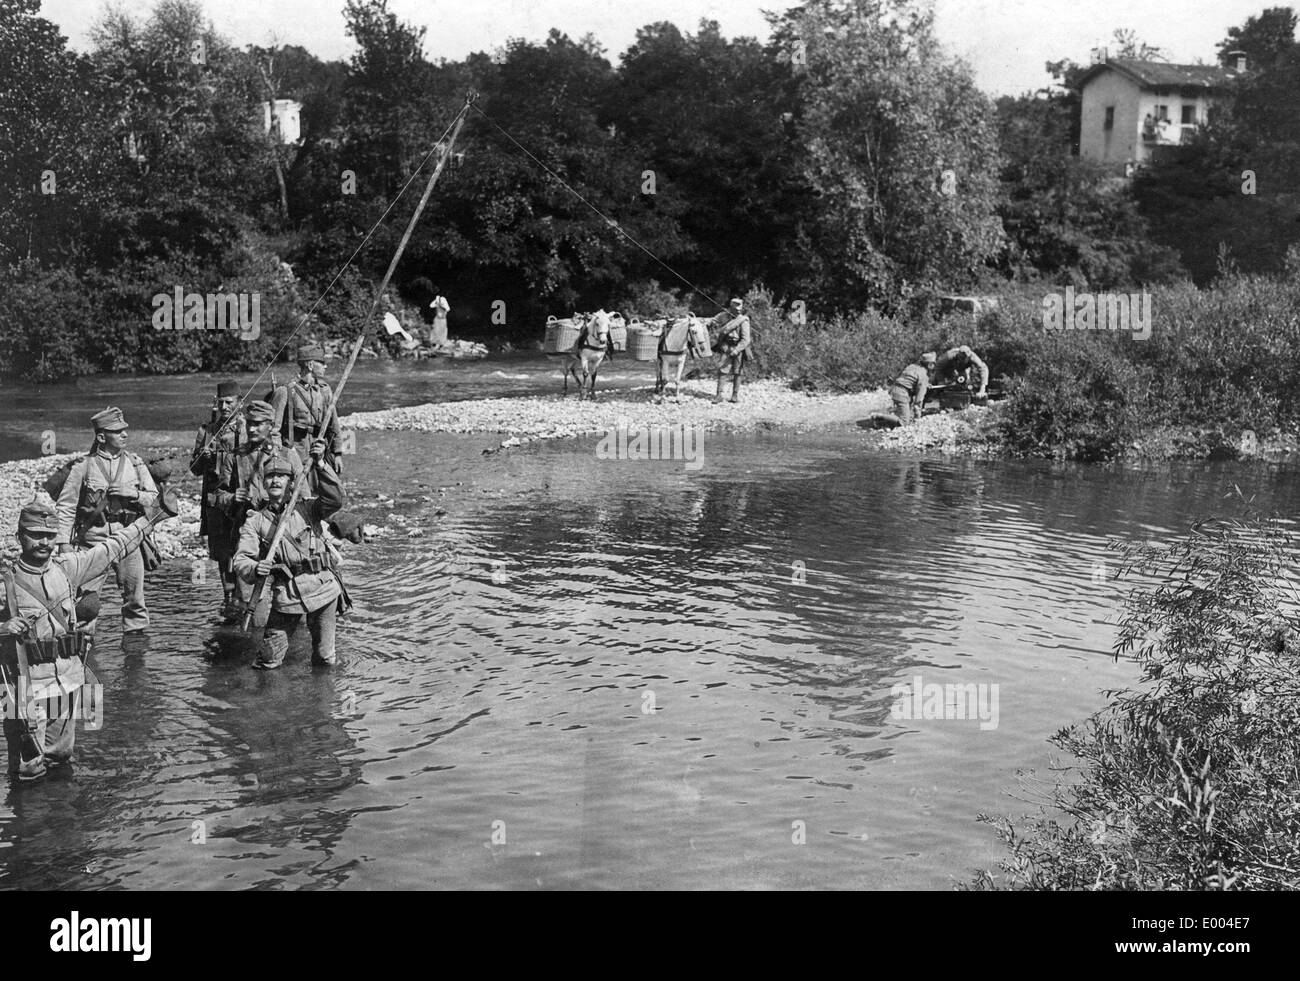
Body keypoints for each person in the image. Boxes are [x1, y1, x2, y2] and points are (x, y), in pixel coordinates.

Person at [2, 494, 172, 781]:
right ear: (20, 537)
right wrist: (4, 627)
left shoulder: (68, 568)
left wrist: (154, 516)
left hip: (66, 683)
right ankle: (29, 821)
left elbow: (112, 547)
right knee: (27, 769)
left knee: (60, 759)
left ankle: (63, 819)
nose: (44, 543)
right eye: (36, 535)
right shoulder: (6, 583)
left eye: (50, 536)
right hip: (24, 691)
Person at [233, 445, 346, 670]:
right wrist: (256, 568)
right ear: (264, 484)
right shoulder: (255, 521)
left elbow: (336, 498)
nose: (275, 481)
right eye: (271, 477)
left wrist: (322, 464)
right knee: (268, 660)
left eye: (281, 477)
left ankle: (322, 702)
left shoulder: (309, 508)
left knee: (325, 659)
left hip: (323, 588)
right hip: (287, 595)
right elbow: (241, 559)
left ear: (291, 482)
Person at [54, 407, 158, 635]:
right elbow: (66, 506)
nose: (124, 434)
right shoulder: (83, 466)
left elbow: (154, 498)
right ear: (101, 437)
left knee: (135, 602)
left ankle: (136, 655)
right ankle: (82, 653)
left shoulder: (135, 463)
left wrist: (134, 495)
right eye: (117, 431)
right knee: (85, 605)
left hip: (129, 540)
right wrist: (64, 544)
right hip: (92, 542)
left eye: (124, 430)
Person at [214, 401, 304, 616]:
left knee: (295, 598)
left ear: (271, 425)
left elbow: (303, 495)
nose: (251, 429)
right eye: (249, 424)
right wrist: (232, 497)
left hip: (284, 532)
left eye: (258, 424)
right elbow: (217, 496)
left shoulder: (287, 454)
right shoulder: (235, 457)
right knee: (251, 603)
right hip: (250, 533)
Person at [189, 380, 246, 619]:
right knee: (222, 553)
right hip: (215, 502)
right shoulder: (207, 431)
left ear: (239, 403)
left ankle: (245, 599)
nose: (224, 407)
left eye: (229, 403)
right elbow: (194, 469)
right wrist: (205, 456)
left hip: (241, 500)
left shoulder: (247, 428)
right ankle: (228, 598)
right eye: (220, 402)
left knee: (243, 547)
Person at [271, 343, 341, 473]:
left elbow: (333, 424)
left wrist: (337, 454)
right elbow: (274, 430)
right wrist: (278, 455)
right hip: (294, 453)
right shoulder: (286, 391)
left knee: (331, 490)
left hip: (319, 452)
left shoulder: (324, 391)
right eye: (321, 362)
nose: (325, 366)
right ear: (310, 365)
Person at [710, 297, 752, 404]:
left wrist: (737, 350)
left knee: (738, 372)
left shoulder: (743, 320)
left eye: (739, 308)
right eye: (735, 308)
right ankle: (719, 395)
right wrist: (721, 343)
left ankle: (735, 395)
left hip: (739, 348)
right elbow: (713, 323)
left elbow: (746, 339)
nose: (738, 310)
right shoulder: (723, 316)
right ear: (731, 307)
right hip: (726, 347)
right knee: (722, 371)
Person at [891, 353, 936, 425]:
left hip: (895, 389)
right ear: (929, 365)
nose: (934, 366)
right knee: (904, 422)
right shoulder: (923, 376)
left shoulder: (912, 366)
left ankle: (895, 416)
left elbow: (908, 380)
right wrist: (918, 418)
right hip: (902, 393)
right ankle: (877, 416)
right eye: (933, 364)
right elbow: (918, 400)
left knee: (906, 414)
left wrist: (925, 385)